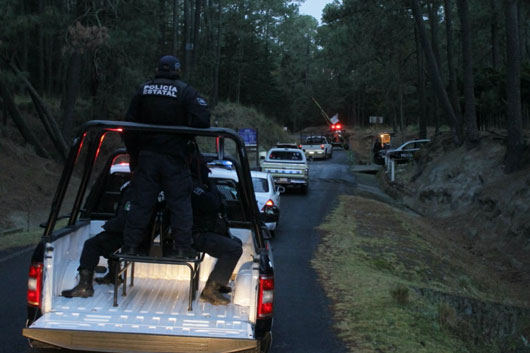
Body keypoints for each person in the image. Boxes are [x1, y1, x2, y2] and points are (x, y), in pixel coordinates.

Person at [122, 55, 210, 259]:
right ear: (177, 70)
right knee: (180, 204)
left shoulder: (143, 90)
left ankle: (130, 247)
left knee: (141, 203)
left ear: (158, 69)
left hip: (147, 156)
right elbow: (202, 120)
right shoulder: (185, 91)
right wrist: (183, 131)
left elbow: (129, 126)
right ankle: (182, 248)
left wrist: (134, 156)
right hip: (174, 157)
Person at [62, 182, 134, 298]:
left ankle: (85, 286)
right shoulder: (150, 185)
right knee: (109, 240)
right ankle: (113, 276)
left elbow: (125, 219)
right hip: (136, 234)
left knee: (91, 245)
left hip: (129, 235)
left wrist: (109, 225)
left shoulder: (134, 189)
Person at [189, 154, 243, 305]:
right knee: (233, 249)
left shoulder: (199, 183)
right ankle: (210, 291)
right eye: (204, 166)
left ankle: (217, 282)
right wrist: (212, 187)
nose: (207, 169)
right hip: (193, 235)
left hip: (201, 231)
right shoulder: (191, 185)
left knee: (235, 243)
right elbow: (210, 203)